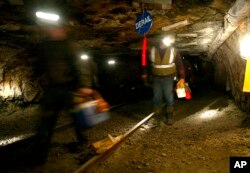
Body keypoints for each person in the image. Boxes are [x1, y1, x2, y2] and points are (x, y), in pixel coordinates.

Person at [31, 10, 89, 164]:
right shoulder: (44, 46)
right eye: (53, 29)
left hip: (69, 88)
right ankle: (39, 155)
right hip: (52, 89)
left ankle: (82, 141)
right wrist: (37, 73)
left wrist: (84, 85)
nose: (55, 31)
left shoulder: (70, 46)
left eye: (58, 29)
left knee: (77, 117)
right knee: (46, 121)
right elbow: (39, 65)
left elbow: (80, 65)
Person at [148, 34, 185, 125]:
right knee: (157, 97)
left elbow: (179, 64)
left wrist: (182, 77)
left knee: (168, 96)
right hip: (156, 77)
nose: (169, 43)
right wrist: (145, 74)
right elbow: (147, 63)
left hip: (168, 77)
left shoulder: (173, 50)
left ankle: (169, 116)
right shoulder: (153, 50)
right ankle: (157, 116)